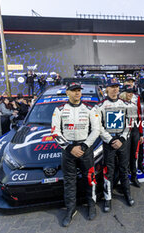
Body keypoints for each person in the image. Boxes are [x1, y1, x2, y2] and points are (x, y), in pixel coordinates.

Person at [51, 82, 100, 227]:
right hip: (68, 151)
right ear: (67, 93)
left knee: (90, 178)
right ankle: (71, 209)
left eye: (79, 90)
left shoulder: (90, 109)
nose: (77, 93)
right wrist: (69, 147)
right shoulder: (59, 109)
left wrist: (84, 146)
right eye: (73, 91)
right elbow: (55, 131)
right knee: (69, 181)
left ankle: (91, 205)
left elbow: (96, 130)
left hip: (86, 149)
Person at [96, 78, 134, 213]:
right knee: (109, 171)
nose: (114, 89)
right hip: (108, 142)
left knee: (124, 168)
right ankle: (108, 198)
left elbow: (130, 123)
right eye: (112, 87)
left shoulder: (126, 104)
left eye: (116, 87)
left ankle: (127, 193)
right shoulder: (99, 106)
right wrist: (110, 140)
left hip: (122, 141)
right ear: (106, 89)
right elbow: (98, 126)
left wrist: (122, 139)